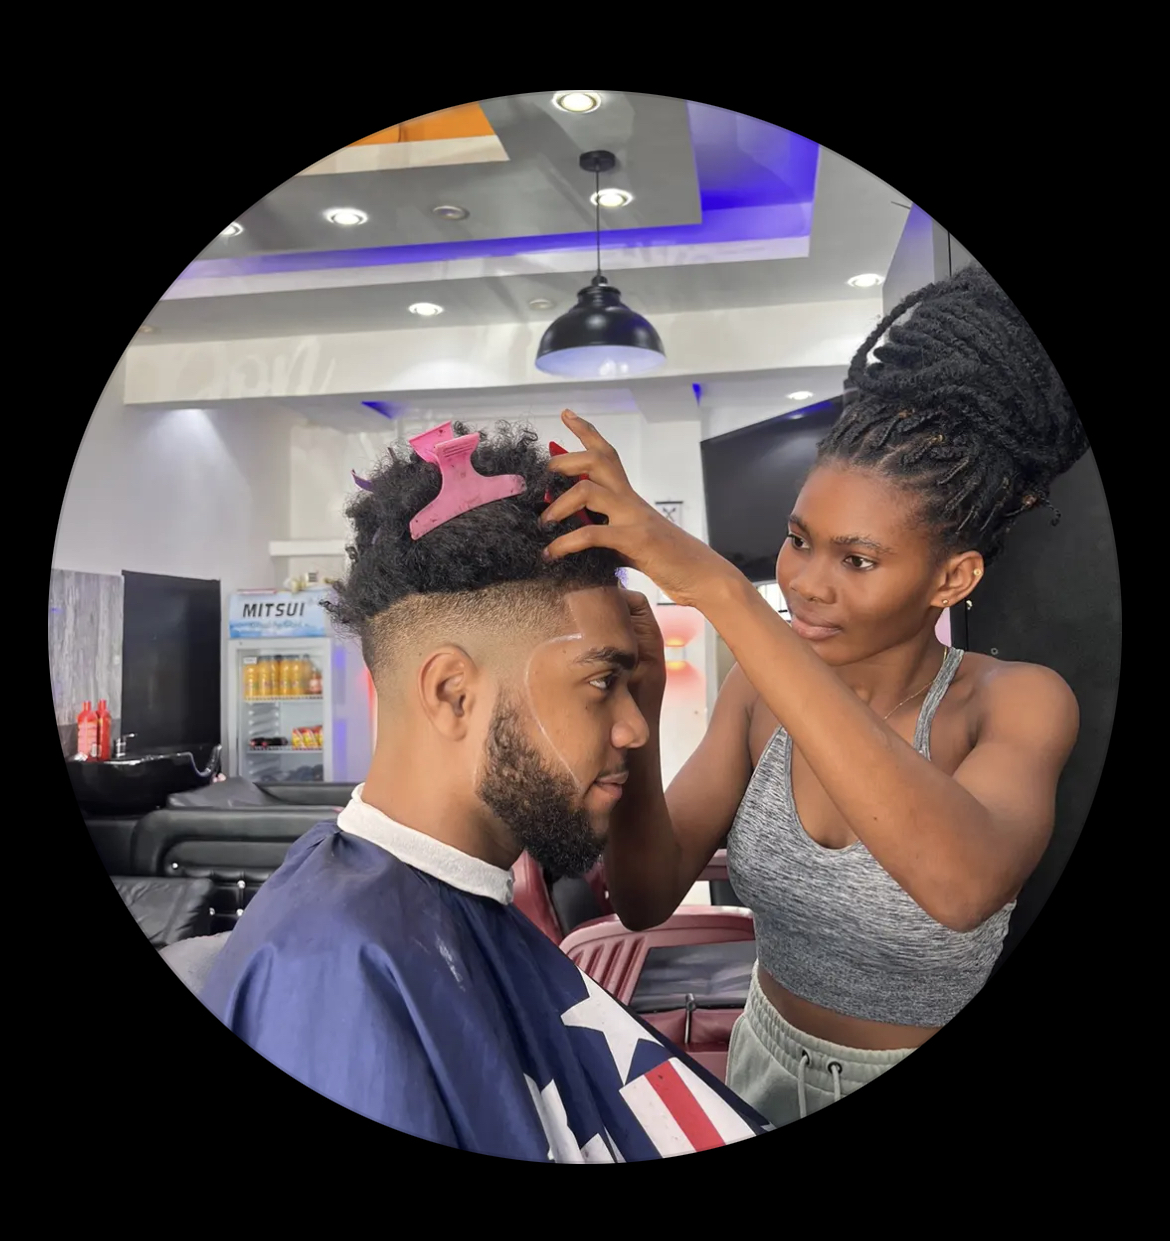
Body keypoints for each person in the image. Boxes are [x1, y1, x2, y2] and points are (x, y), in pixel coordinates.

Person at [539, 264, 1086, 1127]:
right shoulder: (759, 694)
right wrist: (639, 700)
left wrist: (721, 590)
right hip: (760, 1055)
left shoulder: (1016, 703)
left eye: (857, 559)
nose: (805, 583)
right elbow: (643, 899)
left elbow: (960, 882)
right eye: (798, 540)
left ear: (954, 577)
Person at [199, 421, 773, 1159]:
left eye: (632, 685)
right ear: (452, 692)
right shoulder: (332, 979)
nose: (634, 726)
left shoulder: (455, 904)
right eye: (603, 682)